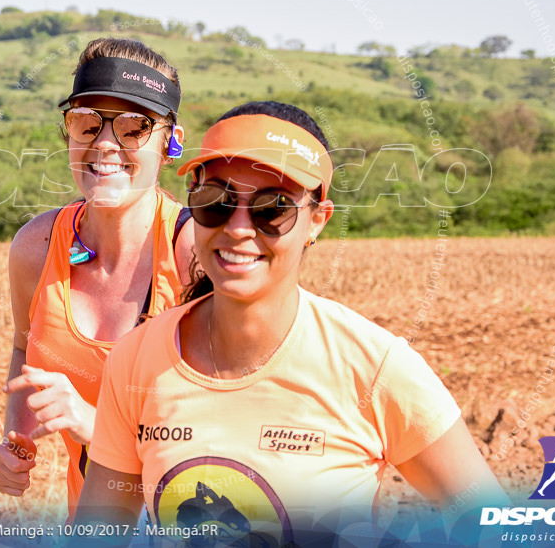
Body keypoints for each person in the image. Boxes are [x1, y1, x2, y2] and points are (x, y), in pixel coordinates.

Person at [76, 101, 509, 544]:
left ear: (317, 220)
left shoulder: (374, 367)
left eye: (272, 208)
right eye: (216, 201)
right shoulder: (137, 360)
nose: (239, 228)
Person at [0, 38, 195, 521]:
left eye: (132, 127)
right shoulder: (37, 247)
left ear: (170, 141)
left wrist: (96, 426)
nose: (104, 144)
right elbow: (26, 348)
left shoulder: (194, 254)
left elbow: (232, 429)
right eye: (86, 123)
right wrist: (15, 442)